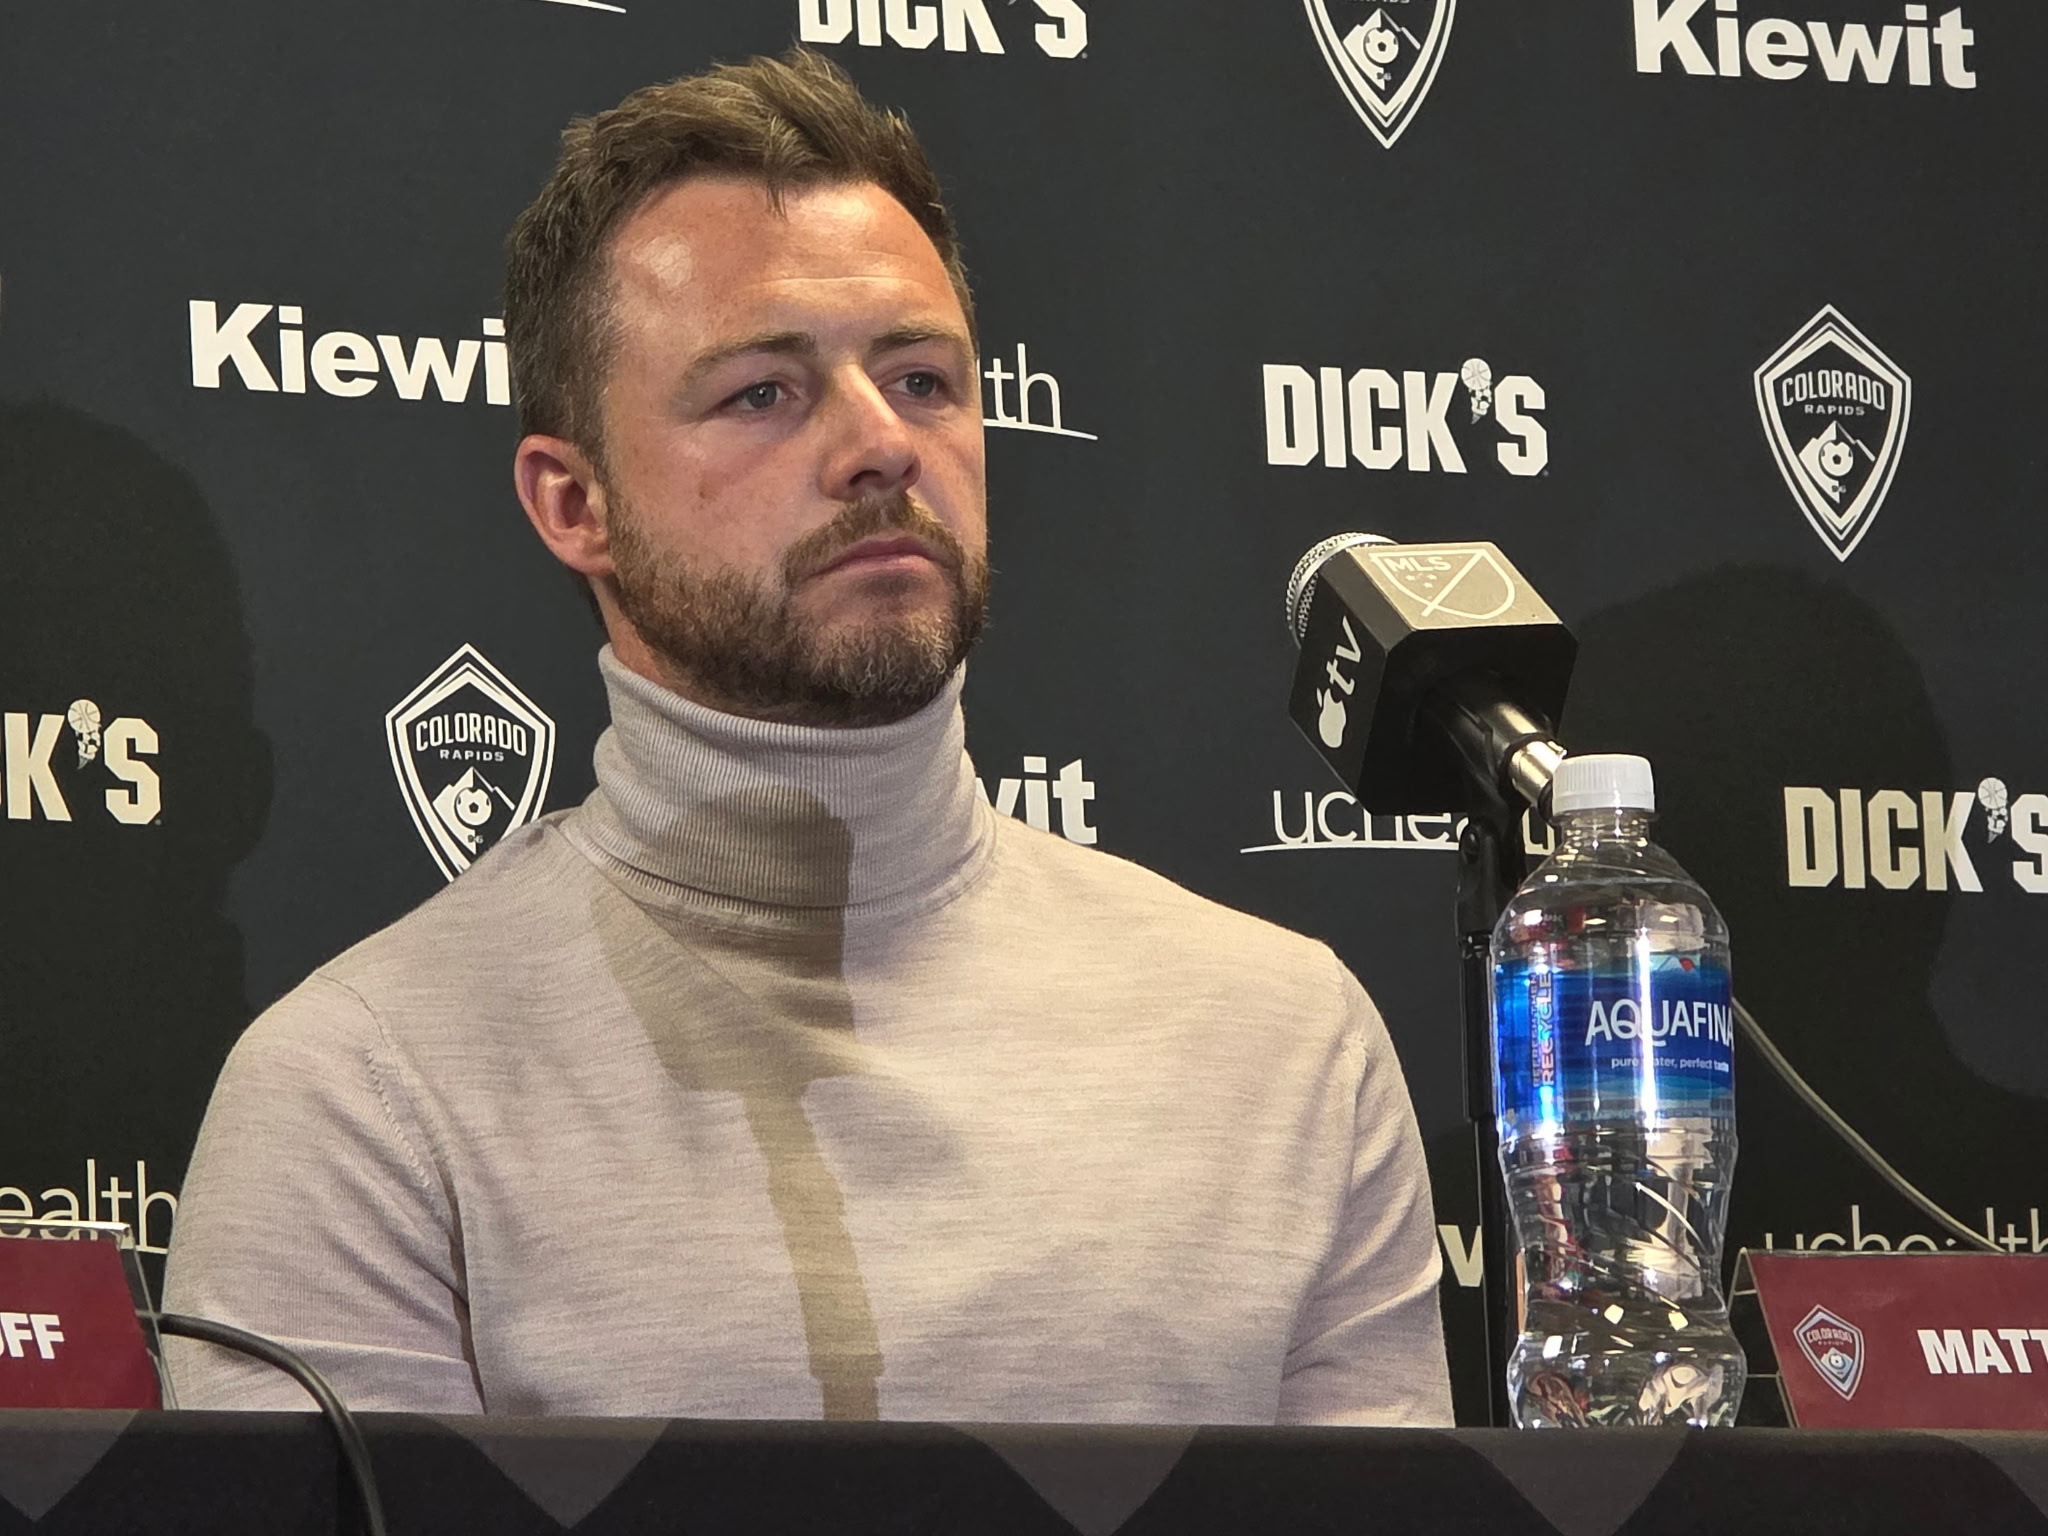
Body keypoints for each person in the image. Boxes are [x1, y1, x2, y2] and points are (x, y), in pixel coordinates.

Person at [163, 49, 1452, 1424]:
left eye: (923, 378)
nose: (880, 444)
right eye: (763, 393)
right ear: (573, 504)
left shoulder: (1284, 1043)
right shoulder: (367, 1094)